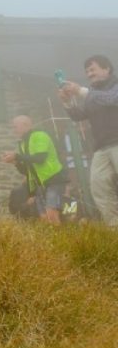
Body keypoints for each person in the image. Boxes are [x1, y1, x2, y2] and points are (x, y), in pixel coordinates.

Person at [60, 55, 118, 226]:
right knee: (99, 188)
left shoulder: (114, 86)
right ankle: (115, 229)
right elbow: (79, 116)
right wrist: (67, 102)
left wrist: (81, 91)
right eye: (87, 71)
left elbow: (112, 99)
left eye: (92, 69)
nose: (89, 74)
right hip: (101, 148)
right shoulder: (92, 94)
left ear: (106, 68)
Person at [2, 115, 66, 225]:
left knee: (52, 213)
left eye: (15, 127)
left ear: (25, 125)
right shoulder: (22, 143)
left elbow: (40, 158)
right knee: (44, 217)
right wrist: (16, 162)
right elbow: (27, 171)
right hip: (39, 185)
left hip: (53, 180)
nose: (14, 130)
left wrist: (17, 156)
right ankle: (52, 240)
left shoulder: (40, 135)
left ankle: (61, 240)